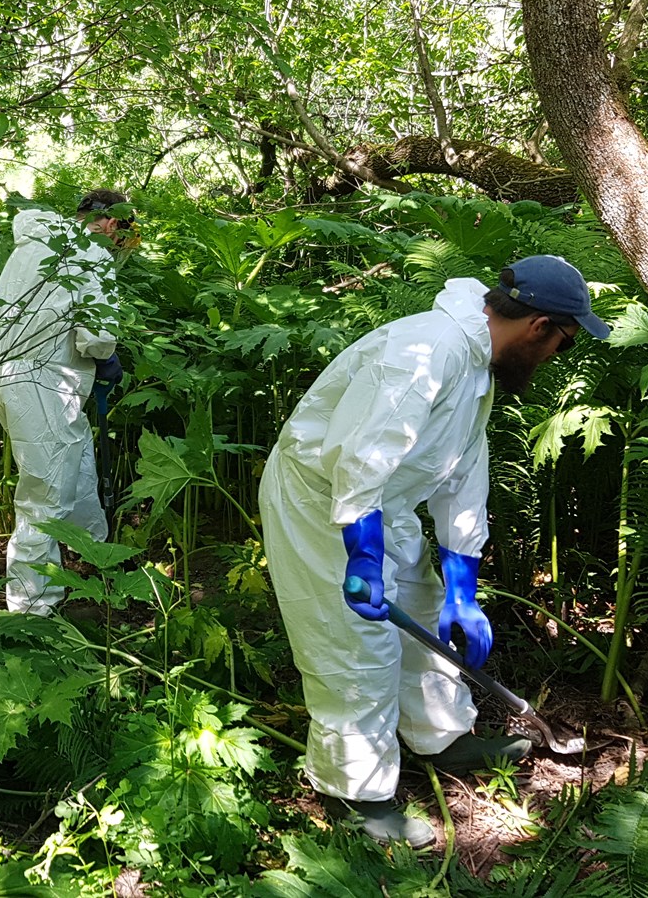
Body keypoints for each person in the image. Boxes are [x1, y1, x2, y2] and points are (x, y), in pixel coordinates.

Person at [259, 255, 610, 847]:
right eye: (564, 345)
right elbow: (360, 459)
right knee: (354, 645)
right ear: (540, 326)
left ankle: (441, 737)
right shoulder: (427, 350)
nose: (555, 361)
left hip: (379, 505)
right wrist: (364, 559)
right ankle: (358, 796)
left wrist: (463, 592)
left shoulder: (478, 365)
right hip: (321, 502)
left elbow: (461, 476)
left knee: (422, 609)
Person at [0, 190, 135, 615]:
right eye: (122, 232)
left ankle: (92, 555)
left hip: (6, 374)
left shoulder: (37, 245)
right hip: (44, 382)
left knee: (75, 460)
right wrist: (107, 357)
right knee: (46, 493)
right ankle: (32, 609)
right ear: (110, 224)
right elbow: (97, 337)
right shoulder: (91, 251)